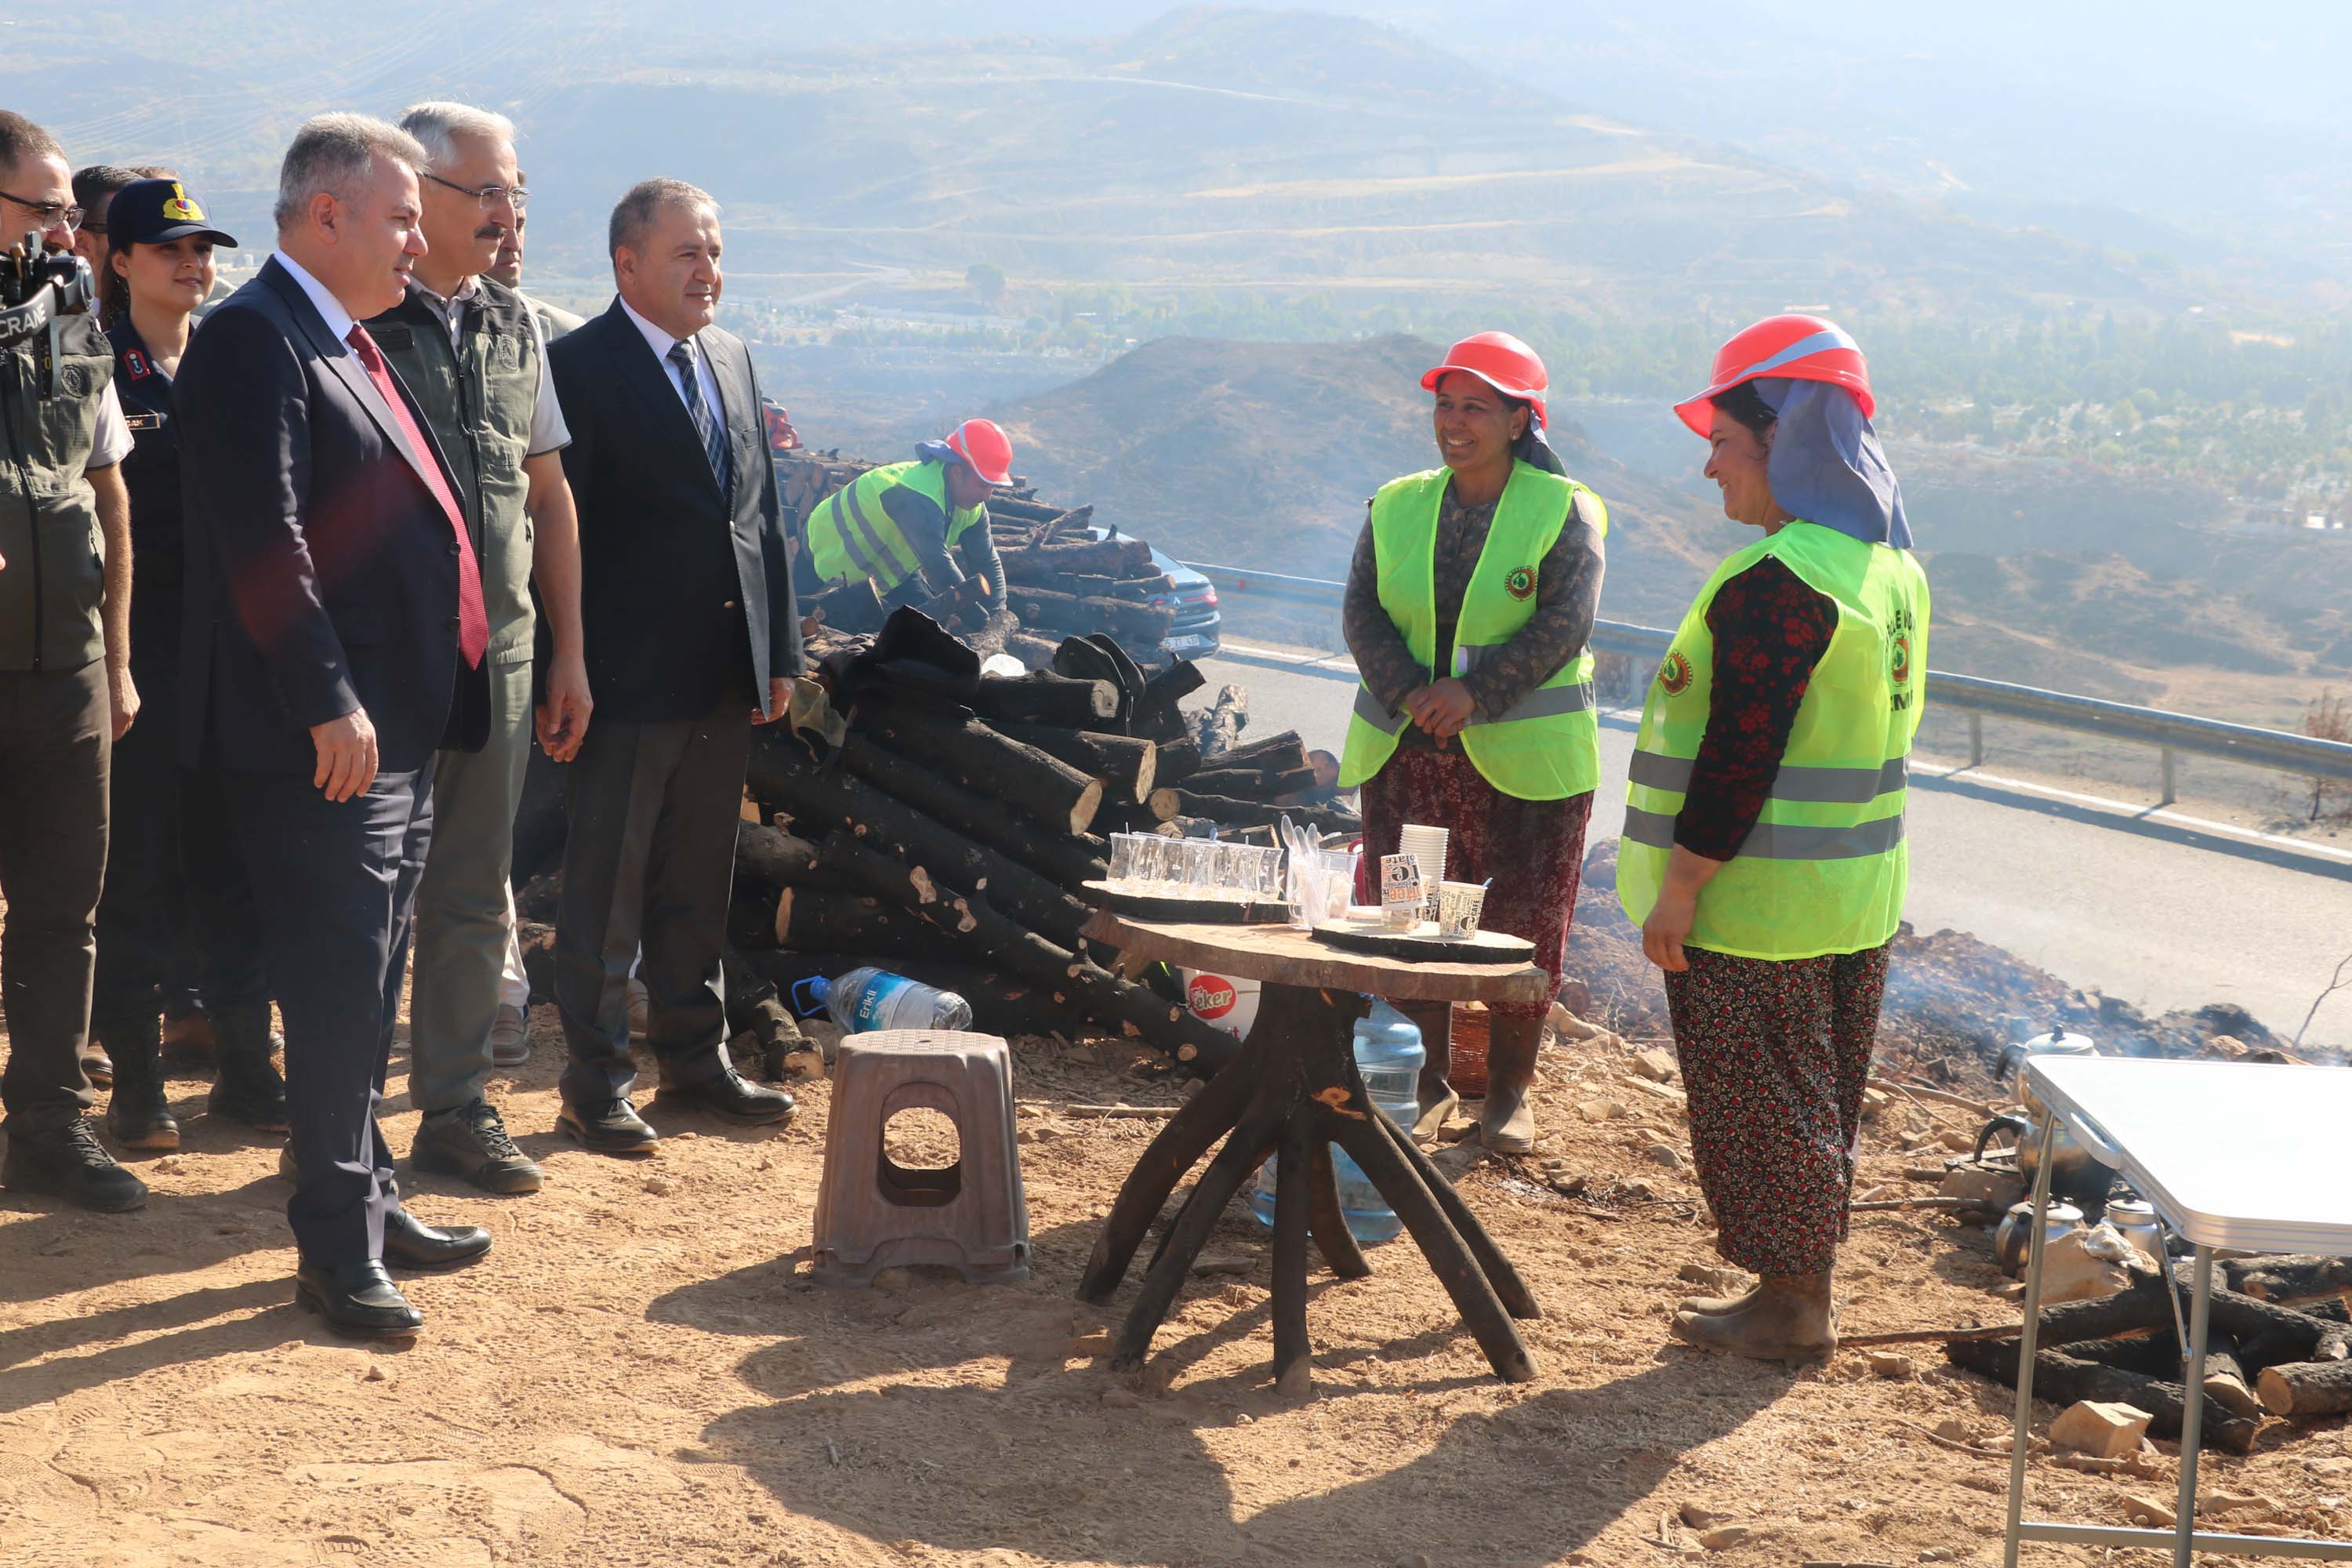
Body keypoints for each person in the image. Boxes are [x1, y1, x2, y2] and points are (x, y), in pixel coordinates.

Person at [176, 113, 495, 1338]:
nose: (424, 239)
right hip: (322, 737)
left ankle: (374, 1197)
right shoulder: (257, 339)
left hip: (397, 727)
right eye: (406, 216)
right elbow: (267, 540)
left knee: (372, 981)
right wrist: (328, 699)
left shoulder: (347, 338)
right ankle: (333, 1250)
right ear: (328, 215)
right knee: (333, 990)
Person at [1618, 315, 1929, 1361]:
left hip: (1758, 904)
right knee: (1817, 1097)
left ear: (1786, 443)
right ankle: (1799, 1290)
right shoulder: (1890, 574)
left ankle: (1792, 1304)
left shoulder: (1780, 583)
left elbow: (1738, 758)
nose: (1709, 469)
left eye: (1722, 442)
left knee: (1763, 1105)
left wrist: (1681, 889)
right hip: (1853, 898)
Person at [546, 177, 800, 1153]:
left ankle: (695, 1060)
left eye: (717, 252)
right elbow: (556, 528)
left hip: (723, 673)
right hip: (623, 676)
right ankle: (596, 1079)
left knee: (700, 878)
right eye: (688, 253)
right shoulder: (575, 367)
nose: (710, 271)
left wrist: (779, 651)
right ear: (628, 263)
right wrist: (570, 664)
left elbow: (761, 513)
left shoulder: (731, 358)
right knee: (605, 889)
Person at [369, 101, 590, 1198]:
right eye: (489, 193)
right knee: (364, 896)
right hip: (385, 662)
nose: (510, 215)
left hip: (500, 657)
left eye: (517, 194)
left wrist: (567, 654)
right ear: (421, 196)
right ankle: (342, 1121)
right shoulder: (356, 324)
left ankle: (452, 1109)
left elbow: (548, 495)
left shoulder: (513, 326)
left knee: (469, 889)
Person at [1337, 331, 1608, 1156]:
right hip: (1409, 752)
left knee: (1524, 925)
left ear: (1523, 421)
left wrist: (1474, 694)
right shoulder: (1396, 503)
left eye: (1476, 408)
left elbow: (1568, 620)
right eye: (1445, 405)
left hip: (1526, 765)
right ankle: (1425, 1079)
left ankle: (1510, 1092)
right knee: (1414, 915)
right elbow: (1362, 610)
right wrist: (1410, 695)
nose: (1455, 423)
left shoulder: (1565, 509)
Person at [87, 176, 280, 1154]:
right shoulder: (95, 368)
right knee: (139, 877)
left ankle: (250, 1067)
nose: (194, 265)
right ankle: (137, 1085)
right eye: (170, 250)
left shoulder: (233, 362)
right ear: (119, 262)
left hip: (236, 663)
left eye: (203, 249)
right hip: (143, 660)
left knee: (237, 870)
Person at [0, 112, 146, 1212]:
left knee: (63, 910)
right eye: (45, 207)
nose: (67, 229)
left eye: (66, 210)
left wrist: (121, 661)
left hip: (70, 668)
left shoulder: (72, 316)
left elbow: (108, 493)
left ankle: (49, 1126)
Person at [802, 418, 1011, 619]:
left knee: (924, 628)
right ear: (957, 472)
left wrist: (997, 614)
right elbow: (941, 572)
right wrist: (985, 624)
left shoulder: (972, 507)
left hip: (885, 577)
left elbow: (986, 562)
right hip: (822, 562)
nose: (988, 496)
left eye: (992, 486)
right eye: (983, 485)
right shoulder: (918, 498)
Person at [488, 214, 584, 340]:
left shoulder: (570, 333)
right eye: (497, 230)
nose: (514, 244)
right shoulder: (455, 326)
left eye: (519, 227)